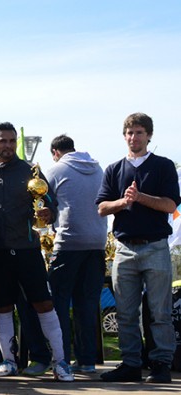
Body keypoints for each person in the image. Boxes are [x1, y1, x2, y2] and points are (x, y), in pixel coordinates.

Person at [0, 122, 73, 382]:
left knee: (44, 304)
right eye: (2, 141)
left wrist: (47, 213)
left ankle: (61, 362)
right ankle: (8, 360)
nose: (7, 145)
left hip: (27, 249)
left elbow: (51, 206)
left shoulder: (32, 171)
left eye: (11, 141)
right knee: (2, 306)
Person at [96, 113, 180, 383]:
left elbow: (170, 205)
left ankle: (160, 364)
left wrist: (140, 197)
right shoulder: (114, 170)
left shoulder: (163, 166)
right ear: (124, 136)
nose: (134, 137)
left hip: (156, 247)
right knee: (125, 312)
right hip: (124, 249)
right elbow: (101, 208)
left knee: (159, 312)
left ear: (149, 136)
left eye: (140, 132)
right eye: (130, 132)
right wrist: (123, 202)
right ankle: (131, 363)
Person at [44, 134, 107, 374]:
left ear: (55, 152)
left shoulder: (55, 170)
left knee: (59, 301)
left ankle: (61, 358)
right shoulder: (98, 168)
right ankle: (87, 360)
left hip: (68, 244)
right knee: (88, 303)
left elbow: (43, 205)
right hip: (98, 244)